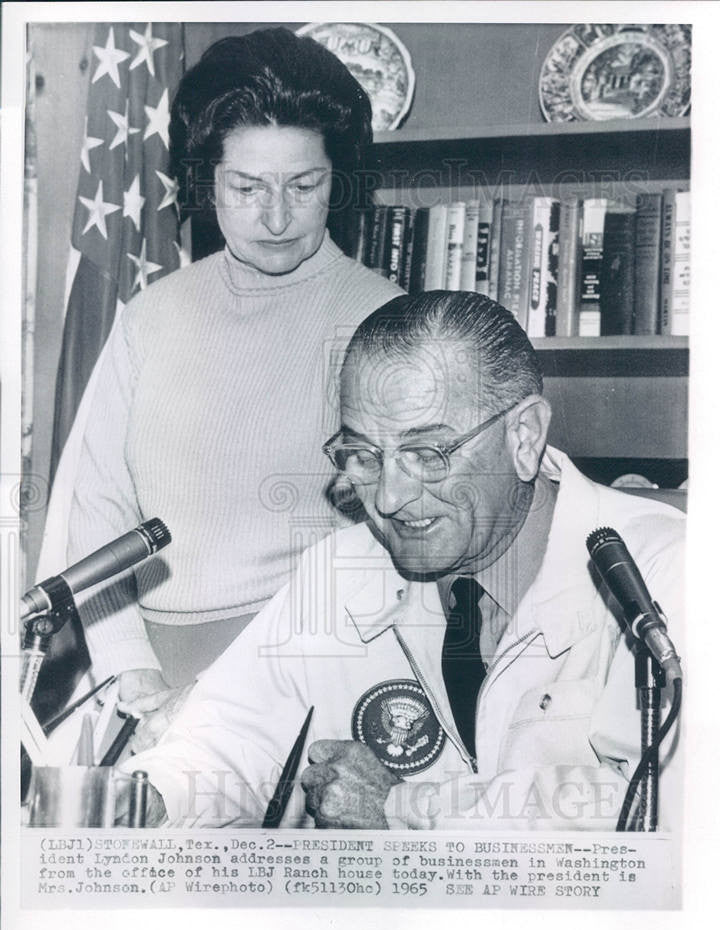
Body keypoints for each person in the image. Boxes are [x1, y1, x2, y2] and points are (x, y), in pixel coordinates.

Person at [122, 290, 685, 830]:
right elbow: (227, 739)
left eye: (427, 453)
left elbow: (650, 805)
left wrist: (405, 810)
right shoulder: (343, 570)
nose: (389, 498)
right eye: (363, 455)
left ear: (525, 435)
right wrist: (148, 802)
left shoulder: (661, 569)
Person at [64, 27, 402, 745]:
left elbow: (398, 540)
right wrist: (132, 673)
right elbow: (97, 506)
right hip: (142, 682)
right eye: (246, 187)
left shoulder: (386, 320)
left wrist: (241, 694)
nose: (276, 217)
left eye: (303, 186)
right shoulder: (149, 317)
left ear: (336, 180)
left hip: (314, 682)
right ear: (205, 182)